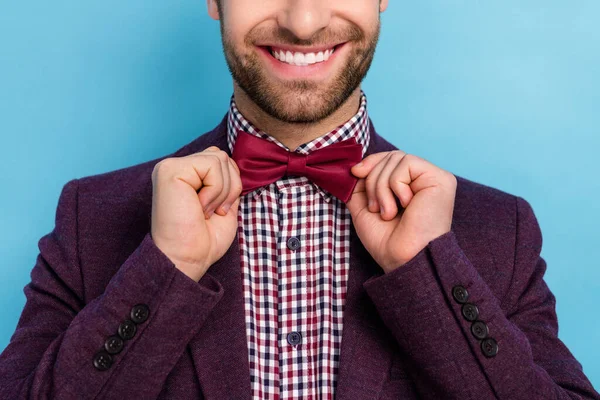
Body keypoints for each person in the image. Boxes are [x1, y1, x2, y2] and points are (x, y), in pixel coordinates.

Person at [0, 0, 598, 398]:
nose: (304, 22)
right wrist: (165, 270)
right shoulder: (90, 217)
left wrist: (428, 275)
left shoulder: (500, 228)